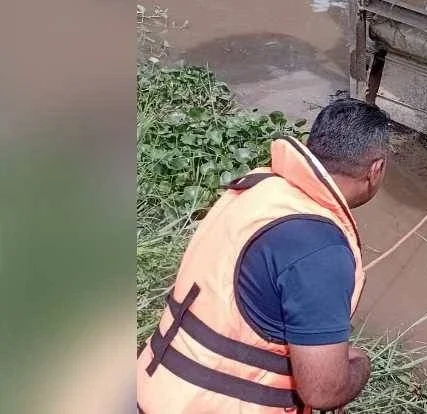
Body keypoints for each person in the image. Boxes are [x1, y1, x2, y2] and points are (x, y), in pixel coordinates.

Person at [137, 98, 391, 413]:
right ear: (376, 169)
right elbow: (323, 391)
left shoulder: (261, 191)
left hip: (158, 387)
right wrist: (360, 364)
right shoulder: (320, 250)